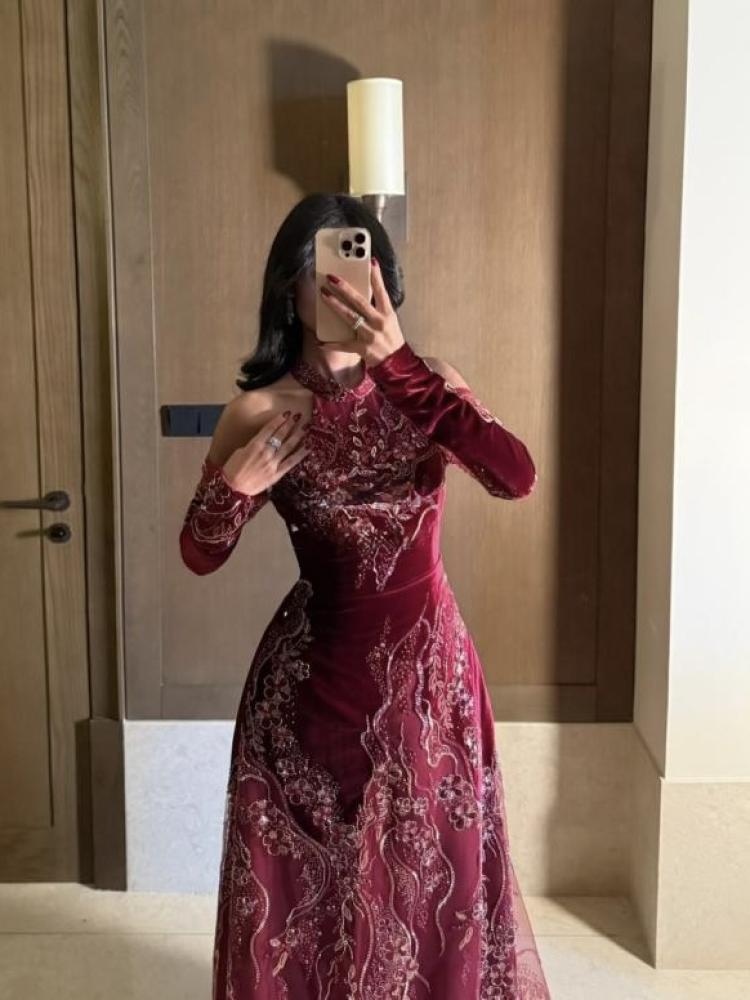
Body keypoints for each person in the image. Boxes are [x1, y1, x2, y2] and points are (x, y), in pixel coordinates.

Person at [180, 193, 550, 999]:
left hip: (429, 682)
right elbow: (200, 556)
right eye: (322, 272)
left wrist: (401, 368)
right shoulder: (261, 410)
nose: (342, 289)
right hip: (309, 692)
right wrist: (234, 486)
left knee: (430, 882)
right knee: (314, 899)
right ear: (290, 289)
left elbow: (515, 477)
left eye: (357, 266)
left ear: (383, 278)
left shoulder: (429, 385)